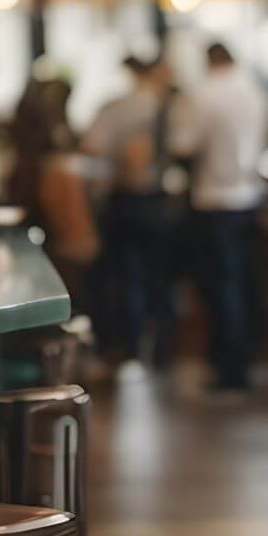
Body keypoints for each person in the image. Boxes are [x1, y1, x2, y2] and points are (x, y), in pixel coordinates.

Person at [168, 43, 268, 391]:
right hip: (249, 197)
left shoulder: (202, 94)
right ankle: (244, 360)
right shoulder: (254, 91)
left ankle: (230, 370)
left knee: (221, 287)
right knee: (245, 281)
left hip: (214, 200)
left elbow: (183, 145)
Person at [82, 57, 174, 371]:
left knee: (126, 278)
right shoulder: (170, 106)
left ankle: (131, 349)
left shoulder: (117, 108)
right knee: (160, 279)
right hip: (159, 199)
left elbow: (92, 145)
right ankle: (163, 353)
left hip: (125, 199)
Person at [7, 79, 99, 295]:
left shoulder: (28, 165)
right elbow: (81, 246)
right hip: (62, 260)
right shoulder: (58, 172)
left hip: (42, 255)